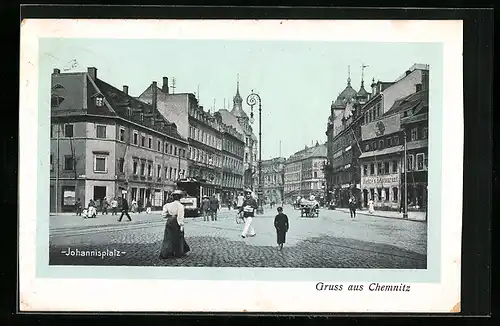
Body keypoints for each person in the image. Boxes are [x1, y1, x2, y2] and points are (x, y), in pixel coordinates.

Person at [160, 190, 190, 259]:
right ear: (180, 198)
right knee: (178, 237)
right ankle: (178, 253)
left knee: (168, 237)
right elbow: (180, 217)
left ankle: (165, 253)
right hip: (176, 222)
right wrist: (181, 226)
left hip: (169, 221)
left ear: (173, 197)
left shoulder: (167, 205)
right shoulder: (180, 206)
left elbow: (163, 215)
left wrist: (170, 216)